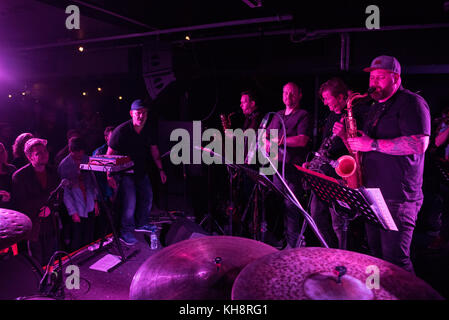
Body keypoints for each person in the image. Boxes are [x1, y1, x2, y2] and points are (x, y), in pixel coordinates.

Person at [343, 55, 431, 273]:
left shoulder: (411, 102)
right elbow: (363, 147)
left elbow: (419, 144)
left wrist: (371, 144)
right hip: (372, 193)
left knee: (396, 262)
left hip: (398, 197)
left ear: (396, 78)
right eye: (372, 78)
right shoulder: (375, 107)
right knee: (376, 256)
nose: (374, 83)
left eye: (380, 77)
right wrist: (350, 138)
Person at [107, 99, 167, 246]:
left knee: (147, 198)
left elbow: (154, 150)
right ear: (132, 114)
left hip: (141, 170)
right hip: (125, 172)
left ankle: (141, 223)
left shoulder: (149, 129)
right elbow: (109, 153)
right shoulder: (121, 131)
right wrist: (109, 174)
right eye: (138, 113)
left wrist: (161, 169)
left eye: (144, 113)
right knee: (130, 203)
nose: (141, 116)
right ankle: (125, 231)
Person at [267, 82, 311, 249]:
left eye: (292, 93)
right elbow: (267, 136)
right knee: (279, 206)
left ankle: (294, 247)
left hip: (292, 169)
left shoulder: (302, 115)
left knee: (292, 208)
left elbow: (302, 140)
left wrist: (278, 141)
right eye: (285, 93)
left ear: (299, 95)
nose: (288, 97)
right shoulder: (278, 115)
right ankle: (283, 242)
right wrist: (265, 142)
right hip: (276, 168)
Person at [11, 138, 60, 266]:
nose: (44, 154)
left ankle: (51, 284)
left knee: (51, 261)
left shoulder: (53, 172)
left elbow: (59, 196)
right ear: (29, 157)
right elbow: (20, 204)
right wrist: (44, 203)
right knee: (36, 264)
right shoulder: (20, 176)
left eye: (45, 151)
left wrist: (52, 208)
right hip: (33, 228)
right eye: (39, 153)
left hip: (51, 225)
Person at [58, 137, 99, 251]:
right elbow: (65, 193)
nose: (80, 155)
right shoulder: (64, 165)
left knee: (89, 236)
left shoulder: (87, 159)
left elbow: (93, 183)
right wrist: (73, 212)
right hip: (77, 207)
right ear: (71, 151)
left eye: (82, 152)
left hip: (89, 203)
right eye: (77, 153)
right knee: (77, 238)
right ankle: (77, 264)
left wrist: (95, 202)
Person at [0, 142, 16, 207]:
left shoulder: (11, 169)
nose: (0, 154)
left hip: (12, 206)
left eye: (2, 151)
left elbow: (18, 189)